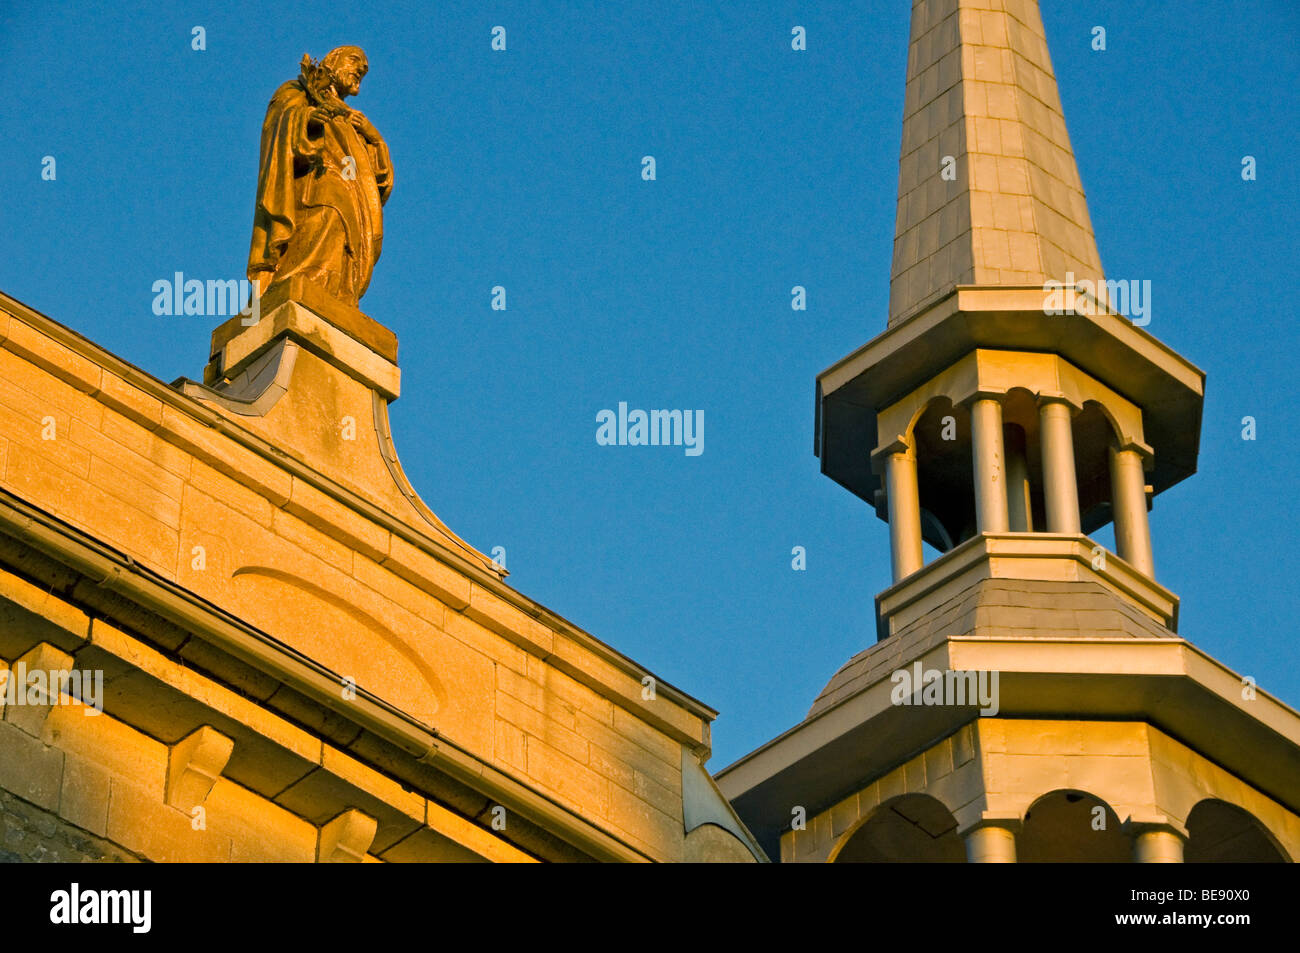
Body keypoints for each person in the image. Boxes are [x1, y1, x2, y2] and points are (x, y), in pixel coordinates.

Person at [247, 46, 393, 308]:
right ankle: (302, 282)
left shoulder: (353, 120)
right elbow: (280, 121)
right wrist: (308, 120)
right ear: (332, 62)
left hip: (354, 203)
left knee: (345, 236)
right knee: (331, 211)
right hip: (315, 185)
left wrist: (375, 139)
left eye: (365, 69)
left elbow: (379, 181)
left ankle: (338, 299)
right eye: (354, 61)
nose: (361, 70)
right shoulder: (300, 91)